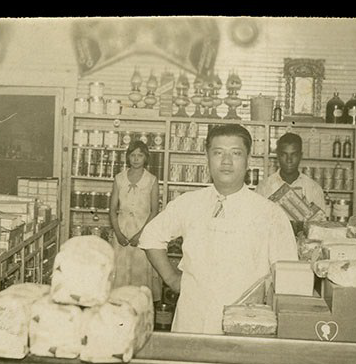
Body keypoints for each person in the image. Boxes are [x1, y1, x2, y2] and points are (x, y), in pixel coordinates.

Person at [139, 123, 298, 335]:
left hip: (245, 326)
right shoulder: (190, 202)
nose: (226, 161)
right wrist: (172, 279)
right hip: (192, 321)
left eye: (236, 153)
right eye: (218, 153)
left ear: (248, 160)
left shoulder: (270, 213)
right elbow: (151, 236)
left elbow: (288, 276)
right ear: (207, 158)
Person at [109, 140, 162, 301]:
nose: (136, 159)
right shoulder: (119, 178)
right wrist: (118, 233)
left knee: (140, 273)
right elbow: (112, 209)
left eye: (140, 155)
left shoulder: (151, 180)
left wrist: (141, 234)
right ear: (127, 157)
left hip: (142, 231)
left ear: (146, 158)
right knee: (120, 271)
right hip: (122, 231)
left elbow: (154, 211)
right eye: (133, 155)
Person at [256, 132, 329, 221]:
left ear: (300, 156)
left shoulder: (314, 189)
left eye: (294, 155)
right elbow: (256, 222)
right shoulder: (264, 187)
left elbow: (320, 226)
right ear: (278, 156)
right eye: (284, 155)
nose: (289, 160)